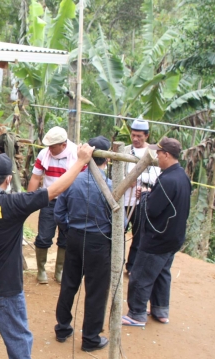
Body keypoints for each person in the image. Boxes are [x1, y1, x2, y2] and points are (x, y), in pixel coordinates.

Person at [0, 145, 94, 359]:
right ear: (8, 179)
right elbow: (54, 190)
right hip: (5, 289)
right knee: (18, 339)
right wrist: (80, 162)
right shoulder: (14, 204)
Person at [122, 137, 191, 327]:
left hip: (158, 238)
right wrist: (149, 193)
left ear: (166, 155)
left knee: (140, 275)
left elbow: (152, 209)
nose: (157, 157)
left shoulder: (168, 180)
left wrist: (144, 196)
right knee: (162, 273)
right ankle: (161, 310)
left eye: (159, 154)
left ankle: (136, 313)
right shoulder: (182, 176)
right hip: (173, 237)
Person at [53, 136, 112, 352]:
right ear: (107, 160)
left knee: (69, 283)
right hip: (98, 241)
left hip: (75, 238)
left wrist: (70, 231)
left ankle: (62, 328)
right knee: (96, 290)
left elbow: (59, 213)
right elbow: (120, 222)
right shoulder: (110, 186)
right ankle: (90, 338)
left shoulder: (72, 180)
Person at [27, 126, 80, 284]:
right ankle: (41, 270)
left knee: (66, 237)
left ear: (63, 145)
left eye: (52, 146)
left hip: (70, 202)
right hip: (49, 200)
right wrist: (29, 200)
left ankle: (60, 270)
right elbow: (36, 178)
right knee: (43, 236)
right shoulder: (44, 154)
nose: (49, 149)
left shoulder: (77, 155)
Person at [124, 118, 160, 275]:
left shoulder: (153, 153)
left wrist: (140, 181)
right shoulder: (124, 150)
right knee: (117, 231)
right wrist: (127, 180)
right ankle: (115, 262)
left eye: (139, 136)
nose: (136, 139)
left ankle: (131, 267)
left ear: (146, 136)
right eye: (133, 135)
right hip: (123, 199)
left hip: (141, 201)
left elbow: (156, 178)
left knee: (138, 235)